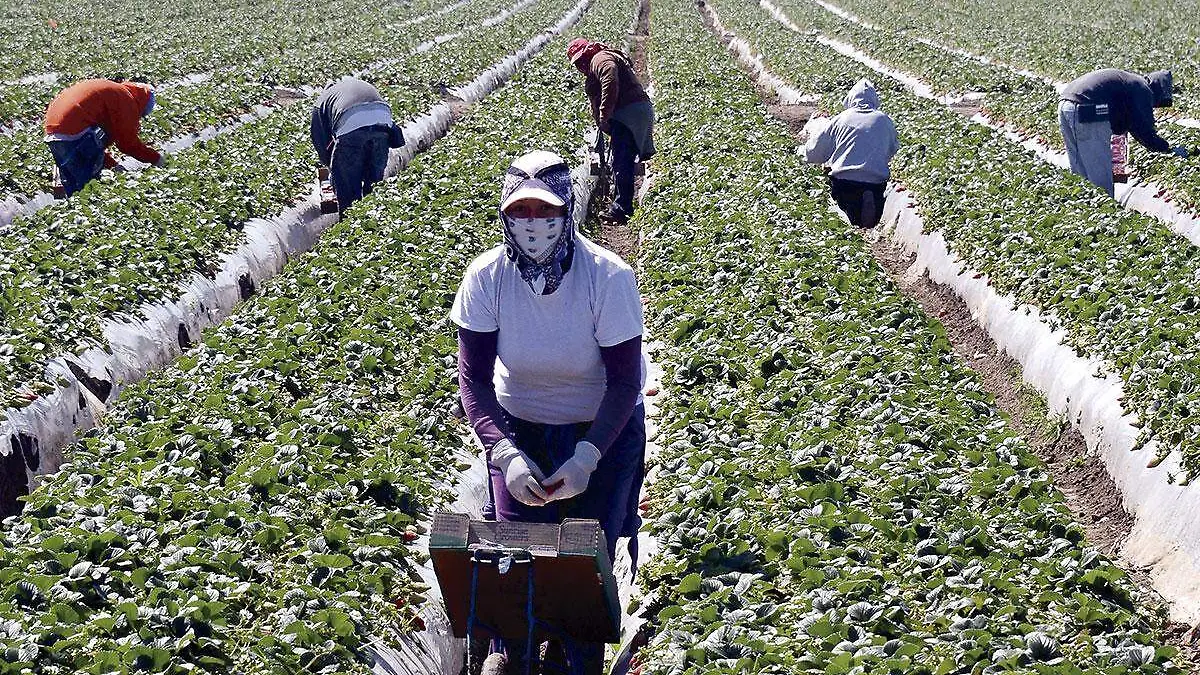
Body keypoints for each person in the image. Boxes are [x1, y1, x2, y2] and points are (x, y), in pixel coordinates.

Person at [450, 150, 646, 674]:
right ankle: (511, 656)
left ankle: (576, 657)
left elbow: (626, 382)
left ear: (567, 210)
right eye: (522, 213)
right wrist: (504, 454)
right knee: (514, 564)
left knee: (583, 567)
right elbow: (474, 379)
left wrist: (587, 457)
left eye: (546, 212)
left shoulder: (607, 278)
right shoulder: (487, 278)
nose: (534, 224)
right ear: (505, 215)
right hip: (521, 429)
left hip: (600, 428)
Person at [567, 38, 655, 225]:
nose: (580, 66)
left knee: (622, 161)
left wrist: (604, 113)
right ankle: (621, 205)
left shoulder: (600, 59)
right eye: (577, 63)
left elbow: (610, 79)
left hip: (628, 113)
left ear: (588, 53)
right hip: (630, 112)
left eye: (581, 60)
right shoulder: (599, 60)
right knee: (621, 160)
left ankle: (622, 209)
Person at [1058, 68, 1183, 197]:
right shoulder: (1142, 89)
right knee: (1100, 172)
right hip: (1088, 108)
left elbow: (1123, 125)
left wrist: (1119, 166)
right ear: (1157, 90)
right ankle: (1103, 210)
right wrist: (1166, 149)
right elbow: (1143, 130)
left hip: (1065, 104)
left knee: (1079, 169)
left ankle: (1082, 206)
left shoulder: (1129, 83)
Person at [803, 78, 899, 228]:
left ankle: (848, 218)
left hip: (845, 182)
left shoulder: (841, 119)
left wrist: (804, 153)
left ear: (851, 98)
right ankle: (869, 209)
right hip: (876, 183)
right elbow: (892, 149)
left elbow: (816, 153)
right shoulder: (884, 120)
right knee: (872, 197)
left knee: (843, 211)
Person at [44, 79, 162, 196]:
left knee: (74, 184)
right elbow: (128, 144)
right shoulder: (126, 100)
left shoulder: (113, 91)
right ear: (142, 105)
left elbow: (98, 144)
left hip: (52, 131)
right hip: (74, 130)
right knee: (89, 184)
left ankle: (71, 202)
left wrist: (112, 165)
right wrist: (156, 159)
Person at [310, 77, 405, 213]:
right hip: (383, 122)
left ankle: (350, 226)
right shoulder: (355, 86)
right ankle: (374, 221)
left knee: (348, 188)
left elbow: (320, 141)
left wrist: (333, 168)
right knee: (373, 182)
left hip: (351, 125)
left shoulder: (322, 101)